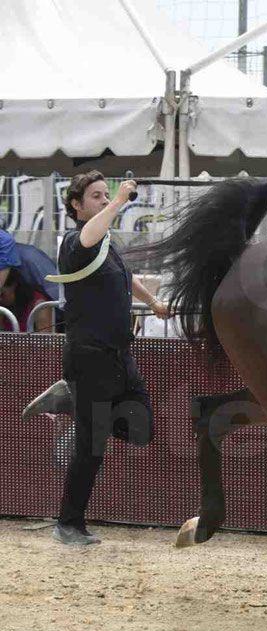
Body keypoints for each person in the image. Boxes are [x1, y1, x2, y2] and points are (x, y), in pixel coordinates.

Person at [21, 171, 170, 545]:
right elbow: (90, 235)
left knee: (142, 430)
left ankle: (72, 399)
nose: (105, 200)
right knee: (91, 448)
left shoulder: (106, 242)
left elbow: (127, 275)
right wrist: (121, 200)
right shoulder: (76, 241)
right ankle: (68, 524)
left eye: (107, 195)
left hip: (120, 355)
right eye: (97, 196)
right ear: (76, 204)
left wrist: (153, 303)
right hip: (89, 357)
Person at [0, 268, 52, 333]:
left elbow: (46, 338)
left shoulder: (39, 305)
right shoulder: (2, 307)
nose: (0, 299)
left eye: (2, 294)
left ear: (14, 285)